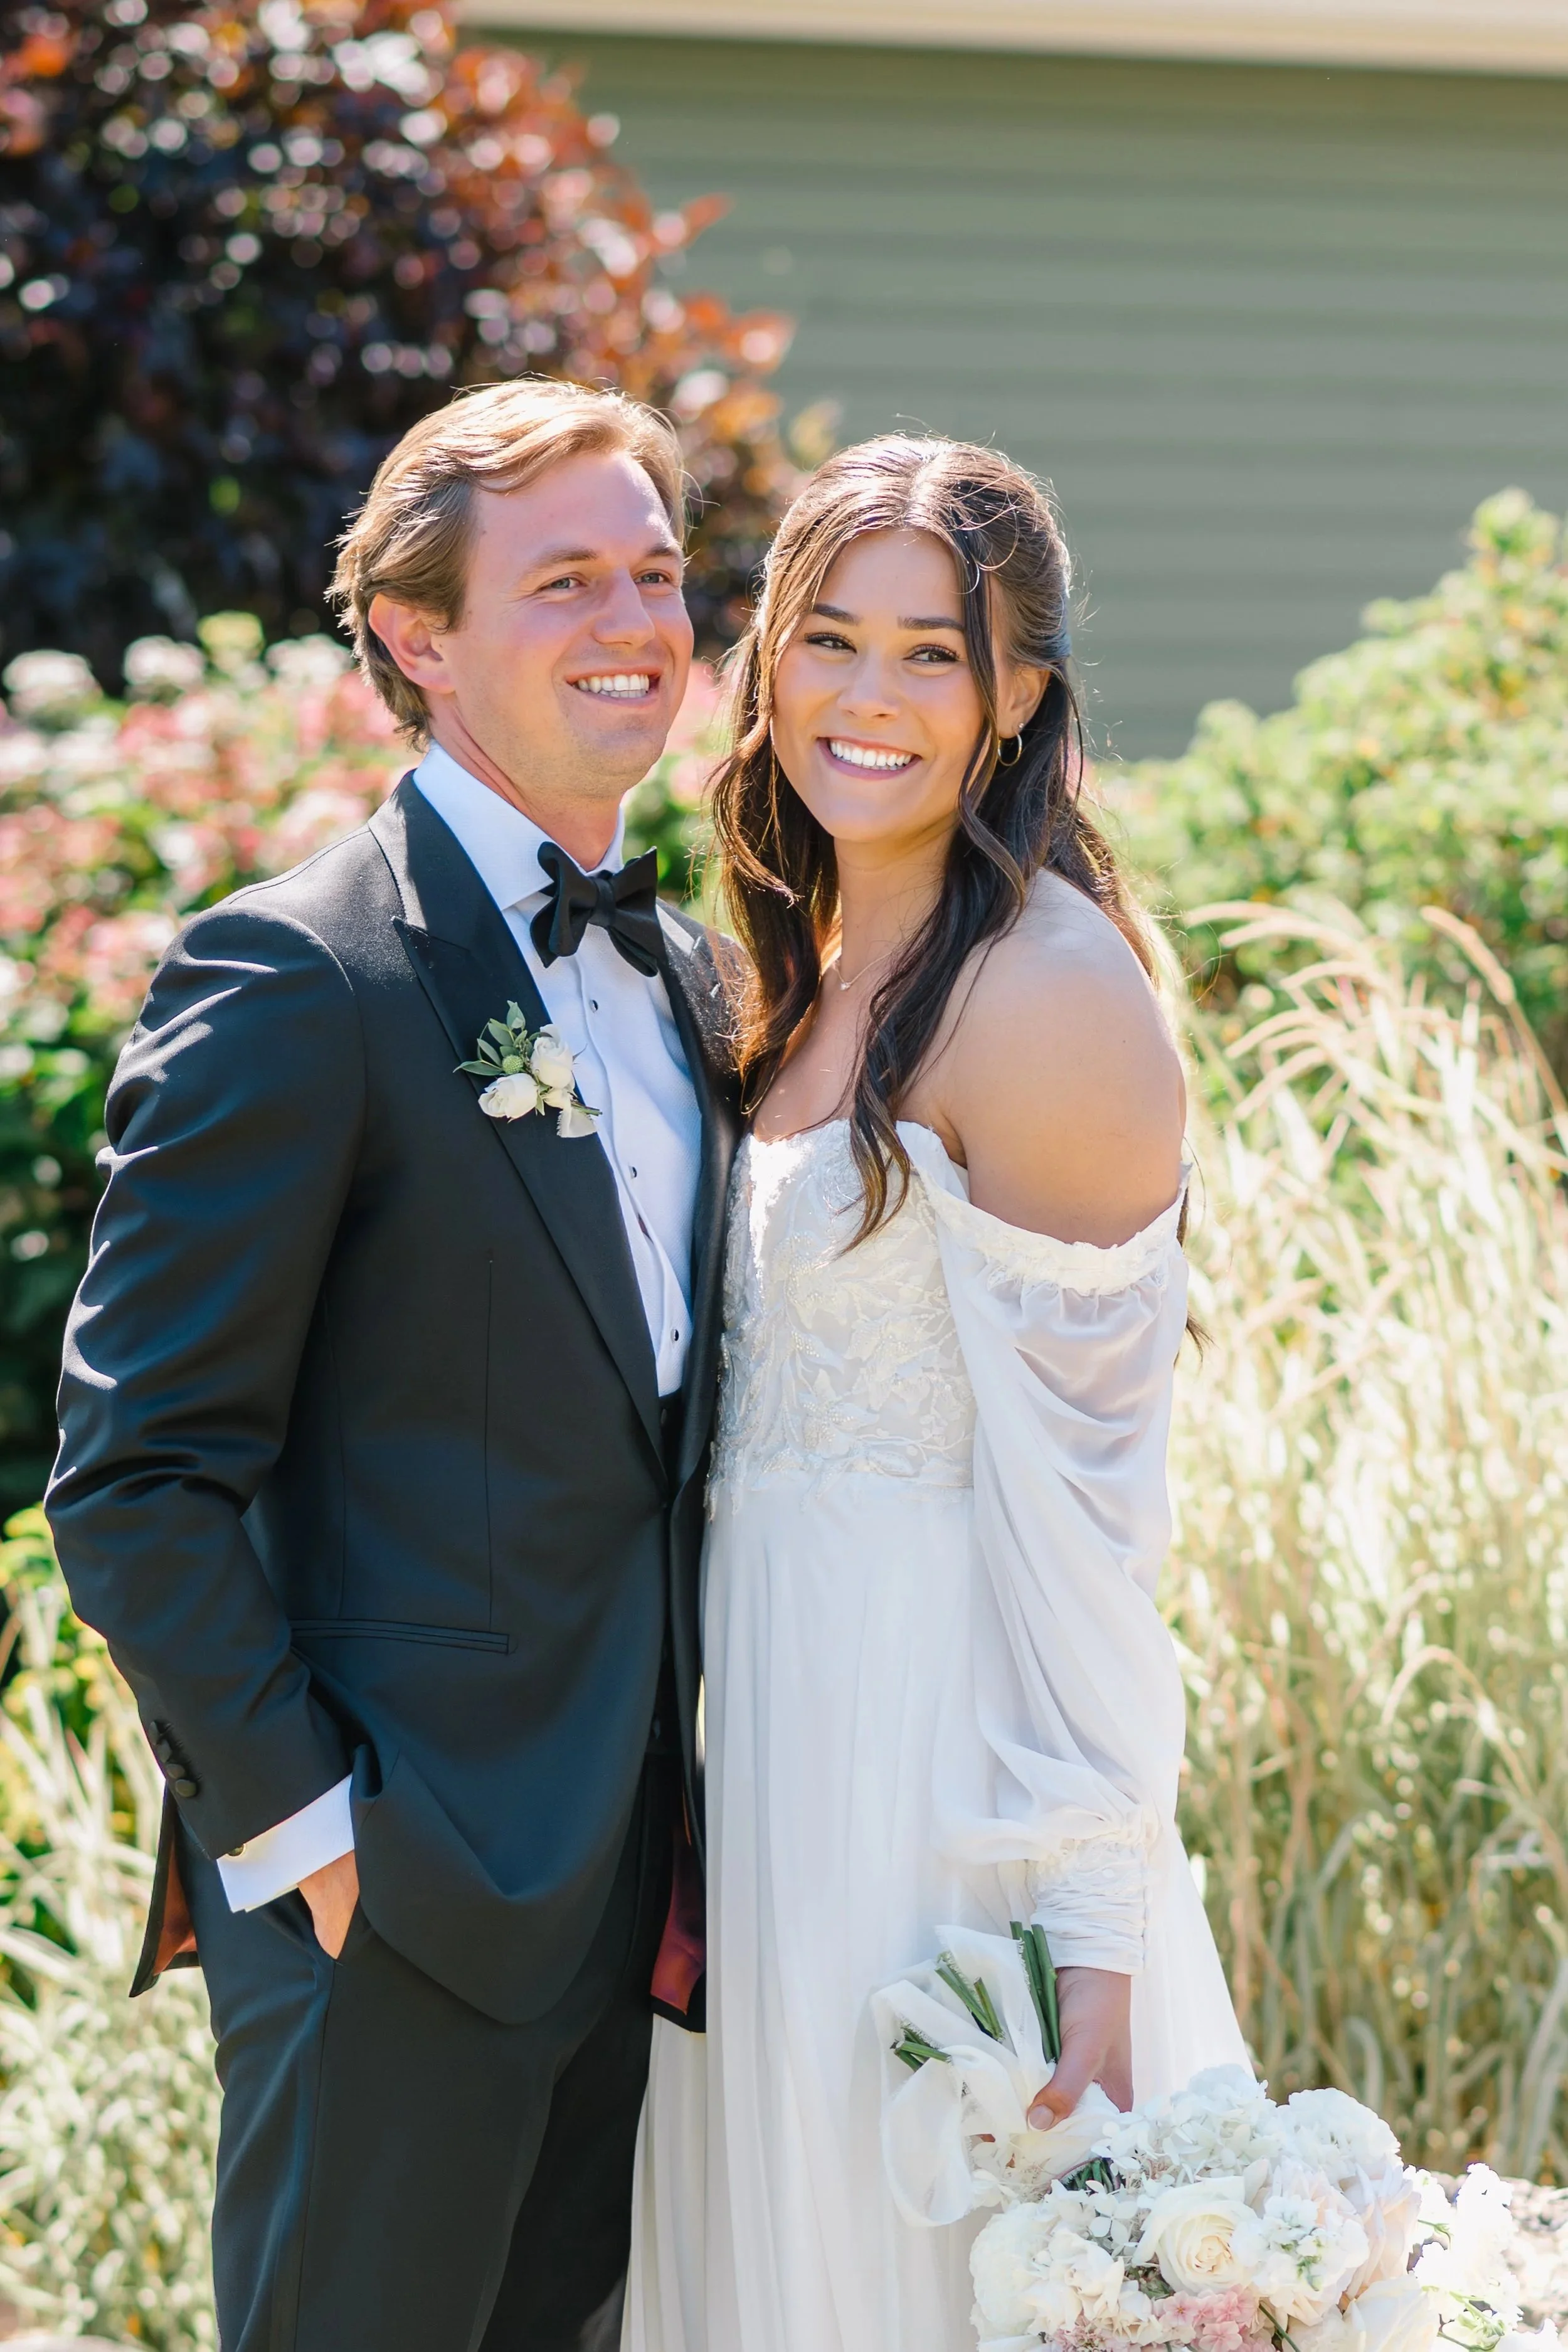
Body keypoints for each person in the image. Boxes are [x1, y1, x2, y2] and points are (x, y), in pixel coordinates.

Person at [45, 377, 739, 2352]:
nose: (635, 622)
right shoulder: (294, 975)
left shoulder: (687, 974)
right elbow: (137, 1480)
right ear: (420, 639)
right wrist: (316, 1846)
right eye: (567, 582)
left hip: (638, 1908)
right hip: (397, 1908)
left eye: (659, 572)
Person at [622, 437, 1249, 2352]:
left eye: (930, 654)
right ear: (766, 665)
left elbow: (1091, 1523)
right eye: (828, 641)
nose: (868, 699)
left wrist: (1096, 1936)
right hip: (764, 1762)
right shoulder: (789, 977)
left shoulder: (1047, 996)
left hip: (936, 1784)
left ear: (1017, 699)